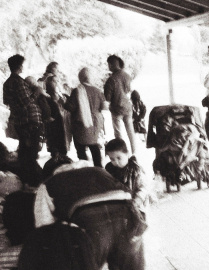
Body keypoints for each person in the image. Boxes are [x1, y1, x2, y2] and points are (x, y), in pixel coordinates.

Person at [34, 155, 145, 270]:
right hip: (128, 220)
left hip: (91, 226)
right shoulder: (100, 171)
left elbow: (44, 227)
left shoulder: (48, 184)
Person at [2, 54, 43, 187]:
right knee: (31, 152)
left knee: (25, 151)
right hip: (29, 120)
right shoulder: (19, 82)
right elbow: (26, 101)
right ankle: (33, 181)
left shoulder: (7, 83)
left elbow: (6, 101)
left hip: (20, 121)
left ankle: (26, 180)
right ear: (19, 66)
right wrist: (37, 91)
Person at [64, 67, 107, 167]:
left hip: (81, 123)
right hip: (96, 123)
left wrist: (65, 101)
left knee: (81, 149)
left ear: (80, 78)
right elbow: (104, 106)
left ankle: (85, 168)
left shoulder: (77, 91)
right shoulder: (98, 91)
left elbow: (70, 107)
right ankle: (98, 168)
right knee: (94, 146)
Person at [105, 138, 148, 214]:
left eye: (119, 158)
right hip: (118, 205)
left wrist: (137, 200)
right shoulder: (109, 169)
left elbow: (143, 187)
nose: (116, 162)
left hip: (136, 203)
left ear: (127, 154)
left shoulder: (135, 170)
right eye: (112, 159)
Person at [104, 55, 137, 155]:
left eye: (108, 64)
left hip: (116, 109)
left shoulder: (111, 80)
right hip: (128, 107)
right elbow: (131, 91)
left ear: (111, 65)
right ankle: (134, 151)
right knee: (130, 130)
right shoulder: (127, 76)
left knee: (118, 132)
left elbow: (107, 98)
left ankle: (123, 152)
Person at [38, 62, 69, 157]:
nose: (58, 71)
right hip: (53, 106)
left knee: (50, 130)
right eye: (57, 69)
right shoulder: (51, 79)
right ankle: (60, 152)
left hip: (45, 108)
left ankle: (53, 149)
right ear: (53, 69)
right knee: (58, 129)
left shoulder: (41, 79)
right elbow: (55, 94)